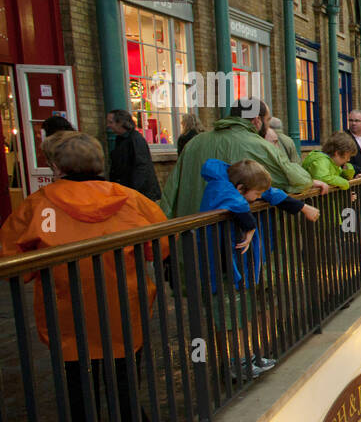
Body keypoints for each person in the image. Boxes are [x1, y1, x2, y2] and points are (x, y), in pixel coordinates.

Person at [0, 131, 168, 422]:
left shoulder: (38, 204)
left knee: (77, 387)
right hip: (123, 307)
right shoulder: (130, 199)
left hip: (67, 313)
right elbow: (159, 247)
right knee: (122, 379)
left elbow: (10, 260)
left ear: (57, 167)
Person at [198, 158, 321, 378]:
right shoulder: (223, 190)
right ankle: (235, 365)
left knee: (240, 311)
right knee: (228, 317)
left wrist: (302, 207)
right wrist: (251, 227)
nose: (258, 198)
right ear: (241, 188)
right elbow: (238, 206)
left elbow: (269, 193)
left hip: (235, 264)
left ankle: (248, 357)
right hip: (220, 265)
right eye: (255, 194)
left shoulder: (239, 183)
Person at [161, 100, 318, 217]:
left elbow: (171, 191)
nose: (268, 127)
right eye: (267, 120)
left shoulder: (194, 142)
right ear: (257, 120)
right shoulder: (260, 146)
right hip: (236, 238)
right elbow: (300, 181)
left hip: (191, 238)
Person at [105, 109, 162, 201]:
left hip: (139, 193)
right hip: (128, 191)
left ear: (120, 123)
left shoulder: (135, 140)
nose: (108, 125)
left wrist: (134, 193)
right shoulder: (121, 139)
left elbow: (141, 167)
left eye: (110, 122)